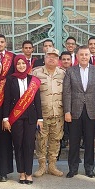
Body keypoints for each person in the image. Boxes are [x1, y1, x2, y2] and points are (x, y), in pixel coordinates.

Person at [63, 46, 95, 177]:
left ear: (89, 56)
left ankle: (89, 168)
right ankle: (73, 168)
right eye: (81, 54)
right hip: (74, 111)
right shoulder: (70, 71)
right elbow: (67, 92)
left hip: (92, 111)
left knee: (89, 141)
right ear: (77, 56)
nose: (84, 57)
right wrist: (67, 111)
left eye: (86, 54)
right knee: (74, 141)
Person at [2, 56, 43, 184]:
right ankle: (22, 173)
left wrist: (40, 118)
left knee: (29, 145)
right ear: (15, 65)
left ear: (27, 65)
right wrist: (5, 118)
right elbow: (7, 100)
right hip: (16, 117)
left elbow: (37, 100)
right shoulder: (10, 80)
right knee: (18, 145)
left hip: (31, 117)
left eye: (23, 63)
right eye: (18, 63)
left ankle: (29, 173)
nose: (21, 66)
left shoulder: (33, 80)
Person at [31, 47, 66, 177]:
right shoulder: (36, 73)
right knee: (41, 140)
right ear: (44, 58)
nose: (51, 58)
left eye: (54, 57)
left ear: (58, 60)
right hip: (42, 115)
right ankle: (41, 166)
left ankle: (52, 165)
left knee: (56, 140)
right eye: (49, 56)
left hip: (58, 113)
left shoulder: (63, 74)